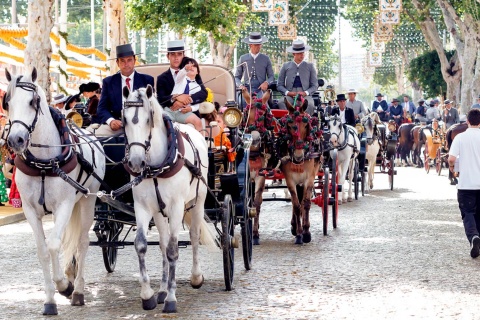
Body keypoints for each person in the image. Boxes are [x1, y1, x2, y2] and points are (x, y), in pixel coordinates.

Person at [91, 43, 154, 135]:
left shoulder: (147, 80)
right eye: (122, 61)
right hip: (116, 126)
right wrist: (111, 121)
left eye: (129, 60)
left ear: (134, 61)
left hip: (141, 126)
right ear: (117, 63)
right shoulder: (108, 82)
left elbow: (152, 106)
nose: (126, 64)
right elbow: (102, 108)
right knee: (97, 137)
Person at [448, 109, 480, 258]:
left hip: (466, 184)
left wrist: (452, 167)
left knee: (468, 213)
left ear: (467, 121)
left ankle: (473, 237)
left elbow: (451, 158)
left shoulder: (460, 137)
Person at [156, 39, 208, 116]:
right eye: (173, 54)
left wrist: (186, 100)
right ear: (168, 56)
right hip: (170, 114)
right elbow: (160, 99)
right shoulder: (162, 78)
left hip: (191, 113)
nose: (176, 58)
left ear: (183, 55)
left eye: (179, 54)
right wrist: (175, 98)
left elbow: (203, 93)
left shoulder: (191, 72)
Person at [277, 39, 317, 115]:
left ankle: (305, 124)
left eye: (303, 52)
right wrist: (288, 93)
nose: (302, 55)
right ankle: (289, 123)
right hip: (290, 95)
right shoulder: (285, 66)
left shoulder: (310, 66)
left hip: (305, 95)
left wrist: (305, 93)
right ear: (293, 53)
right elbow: (279, 85)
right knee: (281, 102)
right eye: (299, 53)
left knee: (310, 105)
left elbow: (314, 85)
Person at [163, 57, 204, 130]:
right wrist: (185, 69)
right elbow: (181, 74)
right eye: (188, 65)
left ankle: (202, 141)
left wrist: (191, 108)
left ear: (197, 72)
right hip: (170, 110)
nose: (191, 67)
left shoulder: (198, 87)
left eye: (194, 66)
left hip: (183, 113)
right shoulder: (180, 79)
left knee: (198, 121)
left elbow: (199, 104)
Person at [235, 32, 274, 100]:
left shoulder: (266, 58)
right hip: (246, 89)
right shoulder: (243, 58)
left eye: (259, 44)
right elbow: (236, 77)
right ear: (250, 45)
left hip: (260, 89)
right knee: (241, 103)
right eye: (256, 45)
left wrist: (266, 83)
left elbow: (272, 77)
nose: (258, 46)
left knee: (263, 105)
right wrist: (241, 86)